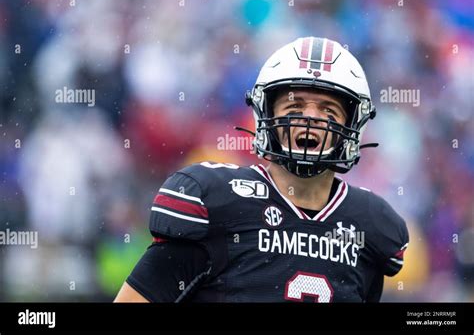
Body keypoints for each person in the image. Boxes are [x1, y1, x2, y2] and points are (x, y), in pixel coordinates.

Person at [114, 37, 409, 302]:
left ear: (352, 125)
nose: (310, 119)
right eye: (295, 107)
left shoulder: (370, 225)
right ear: (266, 114)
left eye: (328, 110)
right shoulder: (218, 202)